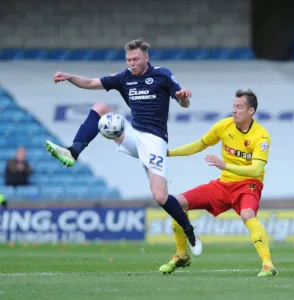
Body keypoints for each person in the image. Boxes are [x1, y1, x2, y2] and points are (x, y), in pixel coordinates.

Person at [45, 38, 201, 255]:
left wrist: (184, 98)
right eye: (128, 59)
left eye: (136, 59)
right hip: (132, 134)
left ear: (146, 57)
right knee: (100, 107)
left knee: (160, 197)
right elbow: (91, 83)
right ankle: (73, 152)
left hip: (154, 141)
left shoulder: (162, 75)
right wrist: (70, 77)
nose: (131, 63)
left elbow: (182, 101)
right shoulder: (123, 78)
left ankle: (188, 230)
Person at [159, 89, 278, 277]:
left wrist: (225, 165)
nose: (234, 110)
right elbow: (200, 144)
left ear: (251, 111)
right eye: (233, 106)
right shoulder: (224, 126)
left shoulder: (261, 136)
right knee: (176, 204)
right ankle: (181, 255)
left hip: (248, 185)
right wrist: (170, 153)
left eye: (239, 107)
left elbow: (256, 170)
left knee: (248, 214)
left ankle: (267, 265)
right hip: (223, 185)